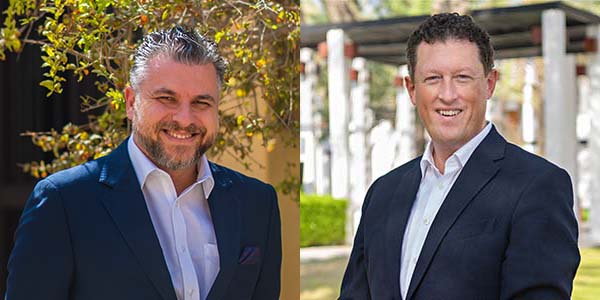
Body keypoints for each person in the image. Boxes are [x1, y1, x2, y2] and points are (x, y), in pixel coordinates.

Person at [6, 26, 281, 300]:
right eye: (166, 98)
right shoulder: (63, 203)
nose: (185, 119)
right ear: (131, 102)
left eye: (201, 103)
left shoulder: (257, 203)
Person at [339, 13, 580, 300]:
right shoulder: (382, 192)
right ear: (412, 89)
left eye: (462, 77)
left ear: (489, 84)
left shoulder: (538, 186)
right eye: (433, 79)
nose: (448, 94)